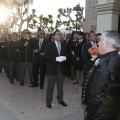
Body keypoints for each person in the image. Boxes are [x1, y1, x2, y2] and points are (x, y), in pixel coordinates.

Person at [83, 30, 120, 120]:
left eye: (100, 40)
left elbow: (97, 95)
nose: (98, 43)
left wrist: (88, 114)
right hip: (111, 108)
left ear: (107, 44)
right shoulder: (115, 57)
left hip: (100, 113)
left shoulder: (105, 64)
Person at [45, 30, 68, 108]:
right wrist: (56, 58)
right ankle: (48, 101)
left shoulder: (64, 45)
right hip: (52, 69)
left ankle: (60, 100)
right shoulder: (49, 45)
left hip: (61, 69)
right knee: (50, 87)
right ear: (54, 36)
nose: (59, 35)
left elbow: (68, 55)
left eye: (60, 34)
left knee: (60, 86)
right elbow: (46, 56)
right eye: (57, 34)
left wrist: (64, 57)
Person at [81, 31, 97, 105]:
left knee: (94, 84)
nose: (95, 36)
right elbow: (85, 58)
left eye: (95, 35)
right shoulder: (85, 45)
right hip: (88, 68)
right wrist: (92, 66)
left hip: (97, 69)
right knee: (86, 84)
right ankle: (84, 99)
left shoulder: (99, 45)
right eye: (93, 35)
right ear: (89, 38)